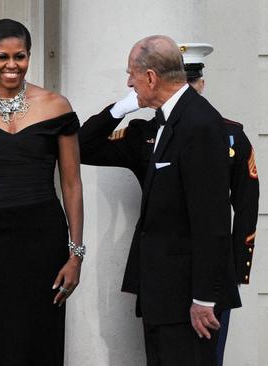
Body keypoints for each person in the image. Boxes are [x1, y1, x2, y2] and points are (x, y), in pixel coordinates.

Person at [79, 42, 259, 366]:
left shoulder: (201, 125)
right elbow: (81, 146)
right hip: (164, 291)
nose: (128, 83)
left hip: (188, 296)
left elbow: (214, 219)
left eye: (131, 75)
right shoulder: (162, 124)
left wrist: (207, 295)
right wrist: (121, 108)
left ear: (150, 77)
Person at [0, 19, 84, 365]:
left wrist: (76, 254)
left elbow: (71, 183)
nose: (12, 65)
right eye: (2, 57)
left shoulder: (57, 106)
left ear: (29, 56)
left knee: (37, 333)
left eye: (20, 56)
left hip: (42, 237)